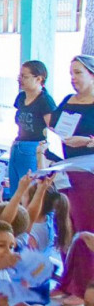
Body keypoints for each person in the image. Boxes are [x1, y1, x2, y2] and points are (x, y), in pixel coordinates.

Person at [53, 55, 94, 233]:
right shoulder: (67, 100)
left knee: (85, 222)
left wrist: (87, 141)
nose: (73, 78)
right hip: (64, 171)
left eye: (78, 73)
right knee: (65, 223)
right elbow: (53, 127)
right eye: (70, 73)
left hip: (88, 175)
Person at [7, 60, 56, 191]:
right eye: (20, 76)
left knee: (29, 190)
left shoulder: (45, 100)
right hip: (18, 144)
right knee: (15, 189)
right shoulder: (21, 97)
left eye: (25, 76)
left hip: (33, 147)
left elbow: (51, 129)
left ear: (39, 79)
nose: (20, 79)